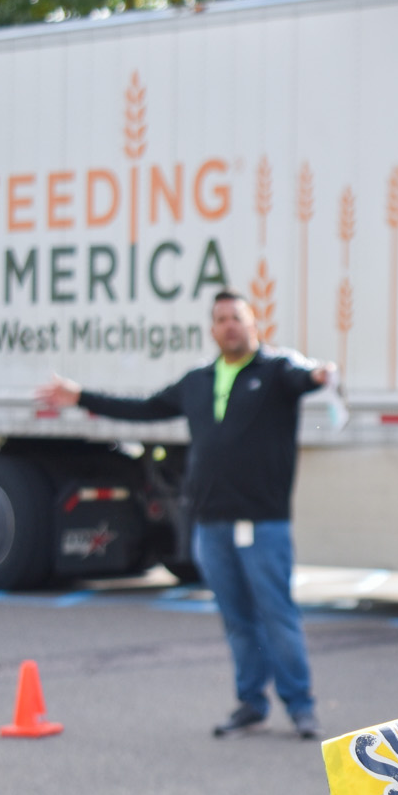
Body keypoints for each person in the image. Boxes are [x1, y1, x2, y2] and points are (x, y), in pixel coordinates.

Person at [38, 292, 335, 737]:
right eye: (221, 319)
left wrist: (318, 374)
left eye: (237, 317)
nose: (229, 325)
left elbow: (305, 378)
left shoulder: (275, 372)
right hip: (211, 524)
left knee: (278, 616)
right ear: (212, 329)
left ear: (253, 324)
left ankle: (301, 707)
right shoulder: (198, 381)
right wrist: (82, 396)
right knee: (236, 619)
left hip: (262, 524)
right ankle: (250, 702)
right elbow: (142, 410)